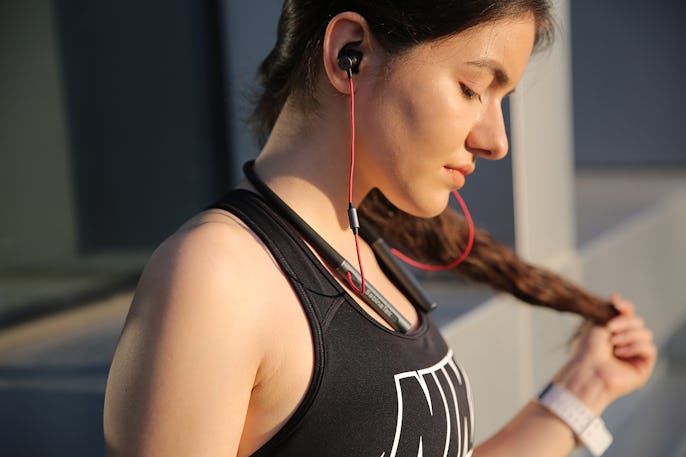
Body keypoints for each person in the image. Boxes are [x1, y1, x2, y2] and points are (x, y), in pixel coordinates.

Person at [104, 1, 657, 456]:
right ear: (351, 53)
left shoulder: (361, 249)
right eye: (472, 89)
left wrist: (587, 388)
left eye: (501, 100)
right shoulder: (217, 277)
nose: (495, 140)